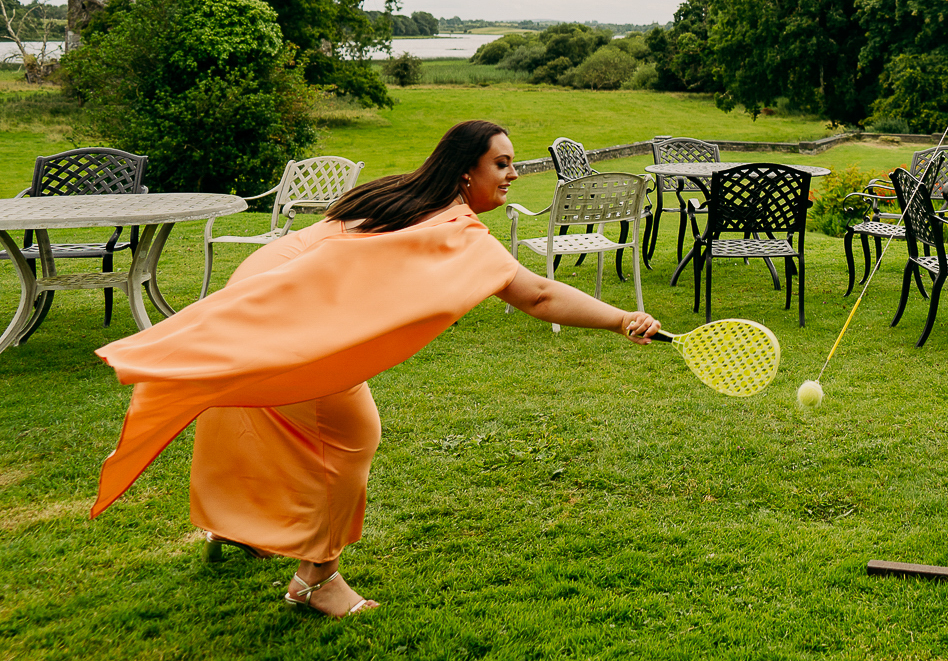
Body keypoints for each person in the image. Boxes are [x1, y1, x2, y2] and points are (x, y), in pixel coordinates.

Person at [91, 120, 661, 617]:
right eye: (501, 163)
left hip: (268, 294)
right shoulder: (456, 231)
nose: (512, 174)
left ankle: (235, 526)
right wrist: (619, 319)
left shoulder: (400, 195)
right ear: (467, 171)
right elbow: (536, 295)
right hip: (294, 320)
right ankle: (316, 581)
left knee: (254, 405)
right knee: (350, 437)